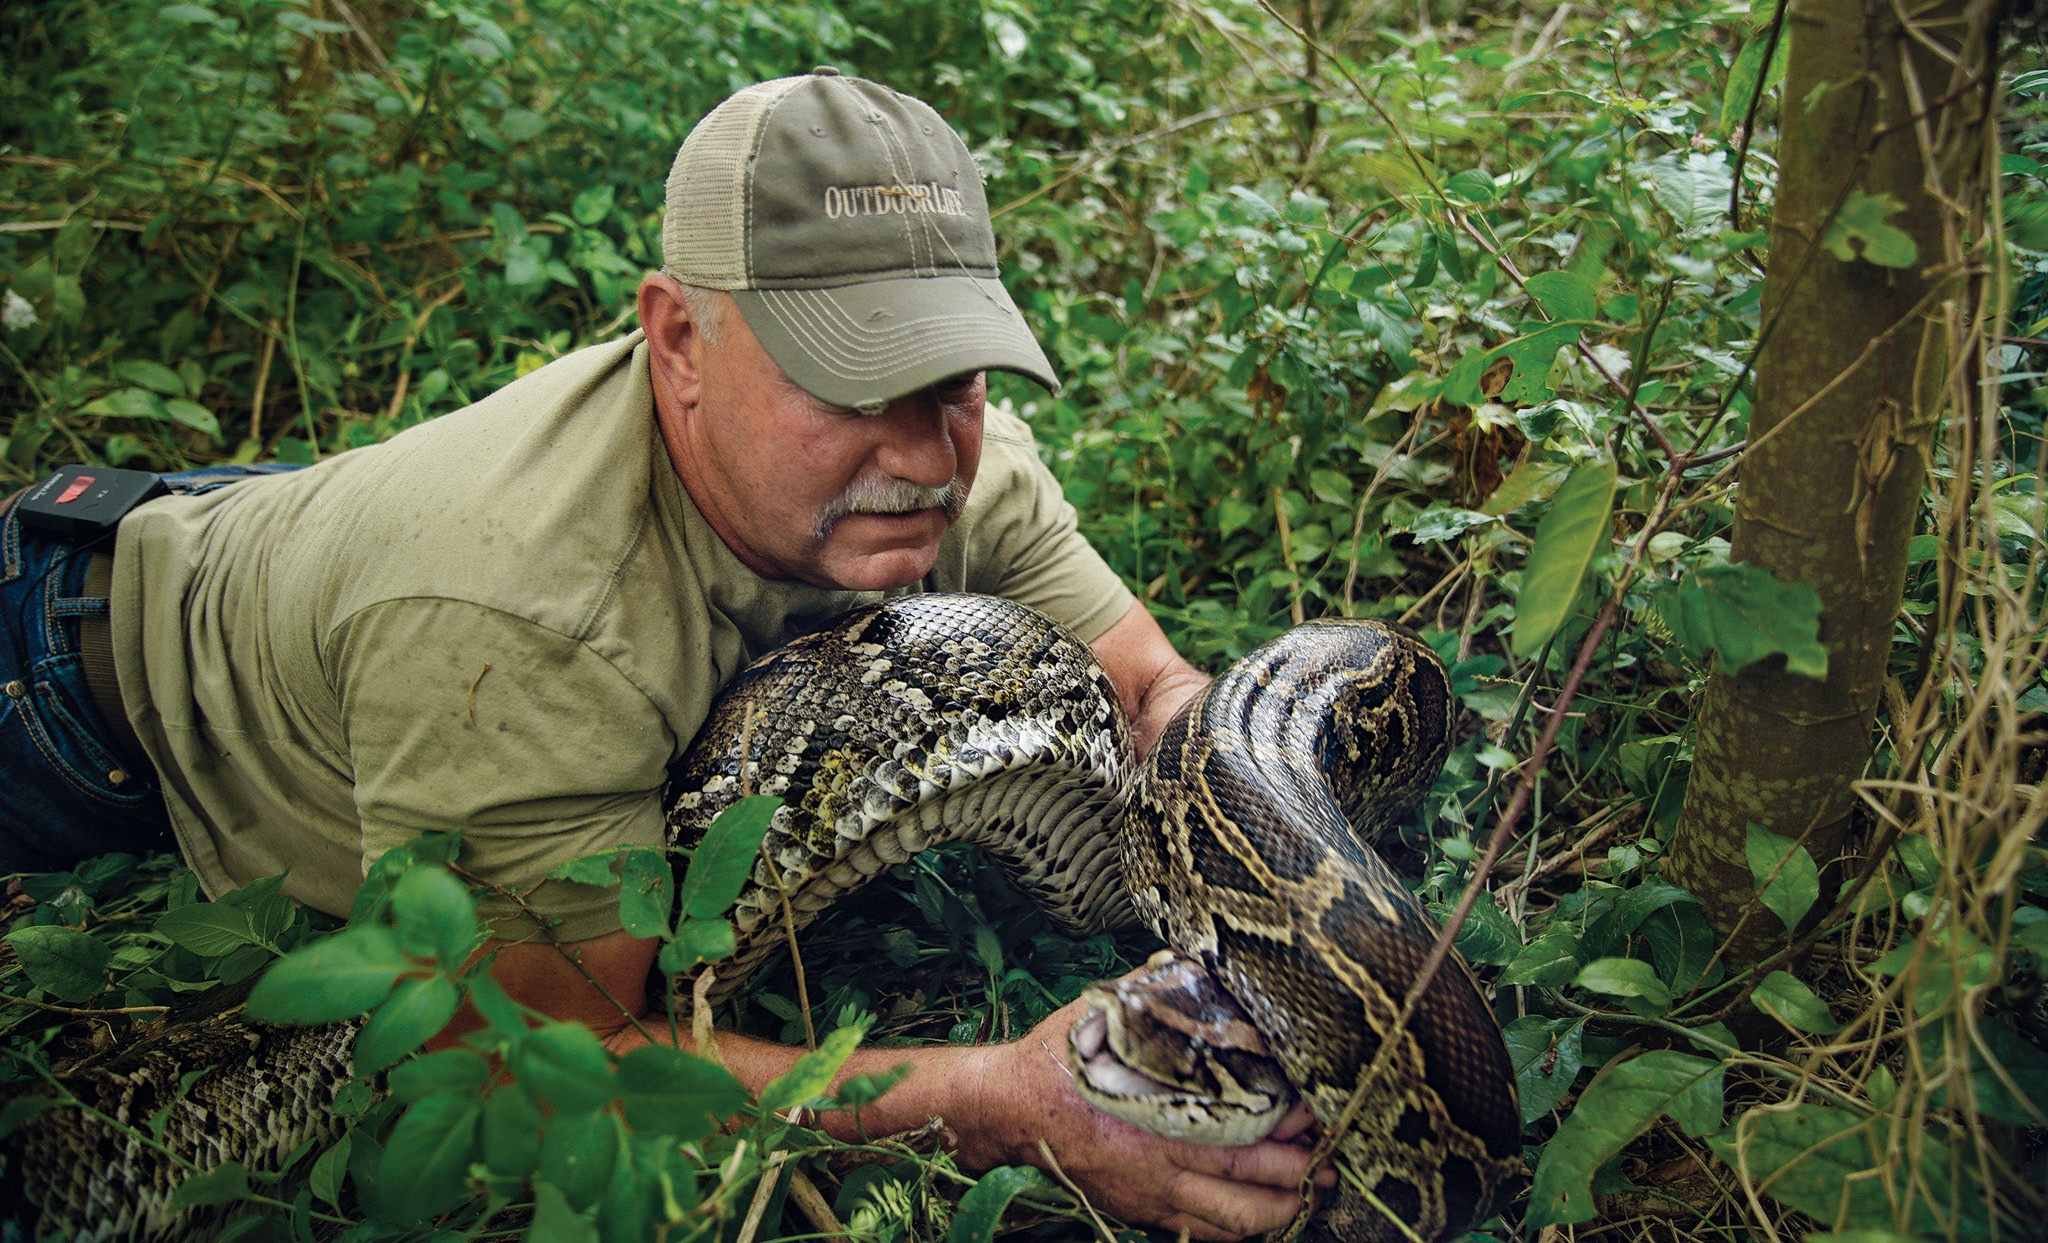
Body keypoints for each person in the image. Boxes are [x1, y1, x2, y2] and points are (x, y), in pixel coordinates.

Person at [0, 70, 1325, 1239]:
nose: (927, 458)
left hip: (313, 530)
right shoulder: (515, 620)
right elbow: (530, 1070)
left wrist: (1275, 837)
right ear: (680, 340)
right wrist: (1002, 1107)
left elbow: (1157, 692)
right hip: (75, 663)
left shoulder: (954, 466)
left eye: (955, 377)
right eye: (858, 382)